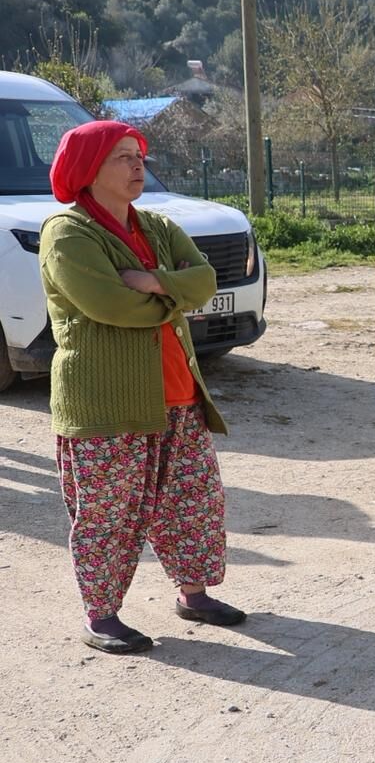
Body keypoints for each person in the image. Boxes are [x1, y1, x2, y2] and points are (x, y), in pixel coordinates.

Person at [39, 120, 244, 655]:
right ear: (89, 170)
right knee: (109, 514)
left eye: (138, 156)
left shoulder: (154, 224)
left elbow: (205, 281)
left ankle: (194, 595)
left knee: (193, 501)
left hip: (179, 395)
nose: (137, 166)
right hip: (107, 404)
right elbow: (112, 306)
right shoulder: (68, 233)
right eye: (123, 157)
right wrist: (174, 292)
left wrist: (156, 282)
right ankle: (102, 616)